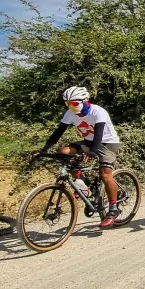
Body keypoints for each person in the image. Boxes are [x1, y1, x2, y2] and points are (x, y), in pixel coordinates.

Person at [37, 86, 123, 227]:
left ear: (85, 101)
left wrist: (92, 152)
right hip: (89, 142)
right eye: (68, 103)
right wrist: (44, 150)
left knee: (105, 174)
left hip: (108, 143)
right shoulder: (70, 113)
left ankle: (113, 208)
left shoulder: (98, 112)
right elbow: (58, 132)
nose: (71, 106)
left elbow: (99, 134)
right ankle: (83, 184)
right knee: (64, 152)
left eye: (75, 103)